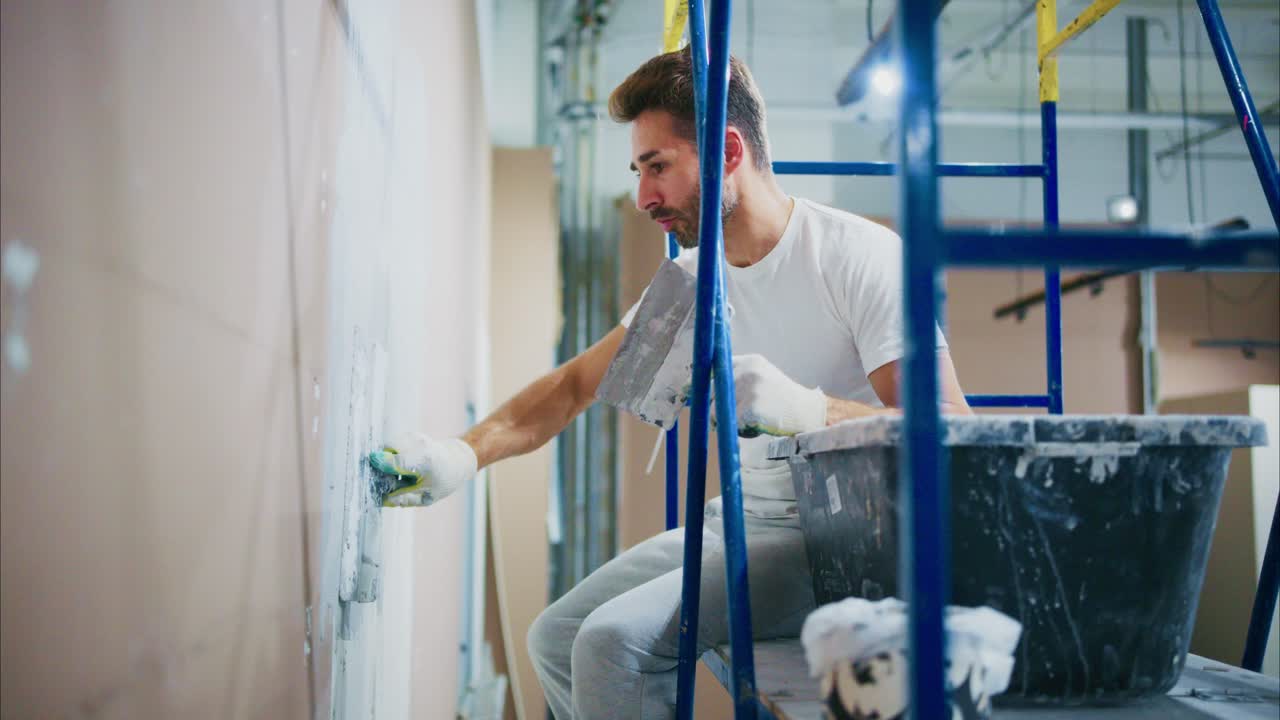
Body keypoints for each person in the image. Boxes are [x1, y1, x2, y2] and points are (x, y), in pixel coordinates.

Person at [369, 46, 972, 719]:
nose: (642, 197)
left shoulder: (858, 257)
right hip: (745, 520)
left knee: (611, 644)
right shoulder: (691, 281)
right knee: (555, 636)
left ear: (728, 152)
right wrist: (461, 453)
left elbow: (948, 427)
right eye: (638, 171)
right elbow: (572, 387)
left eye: (658, 167)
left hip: (843, 542)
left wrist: (809, 411)